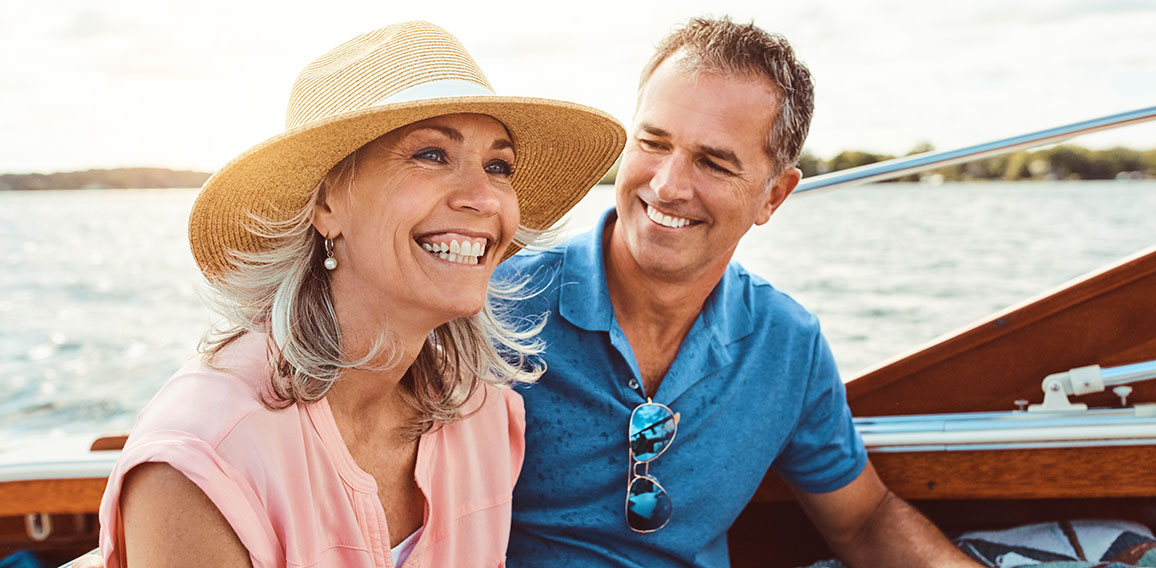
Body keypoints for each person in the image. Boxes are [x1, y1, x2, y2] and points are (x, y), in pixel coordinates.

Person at [93, 21, 624, 567]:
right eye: (432, 155)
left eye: (498, 166)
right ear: (326, 205)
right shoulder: (205, 456)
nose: (484, 198)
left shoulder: (484, 415)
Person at [498, 17, 981, 567]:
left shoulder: (787, 343)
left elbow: (865, 520)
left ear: (773, 196)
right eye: (653, 144)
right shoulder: (493, 307)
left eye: (713, 162)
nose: (667, 186)